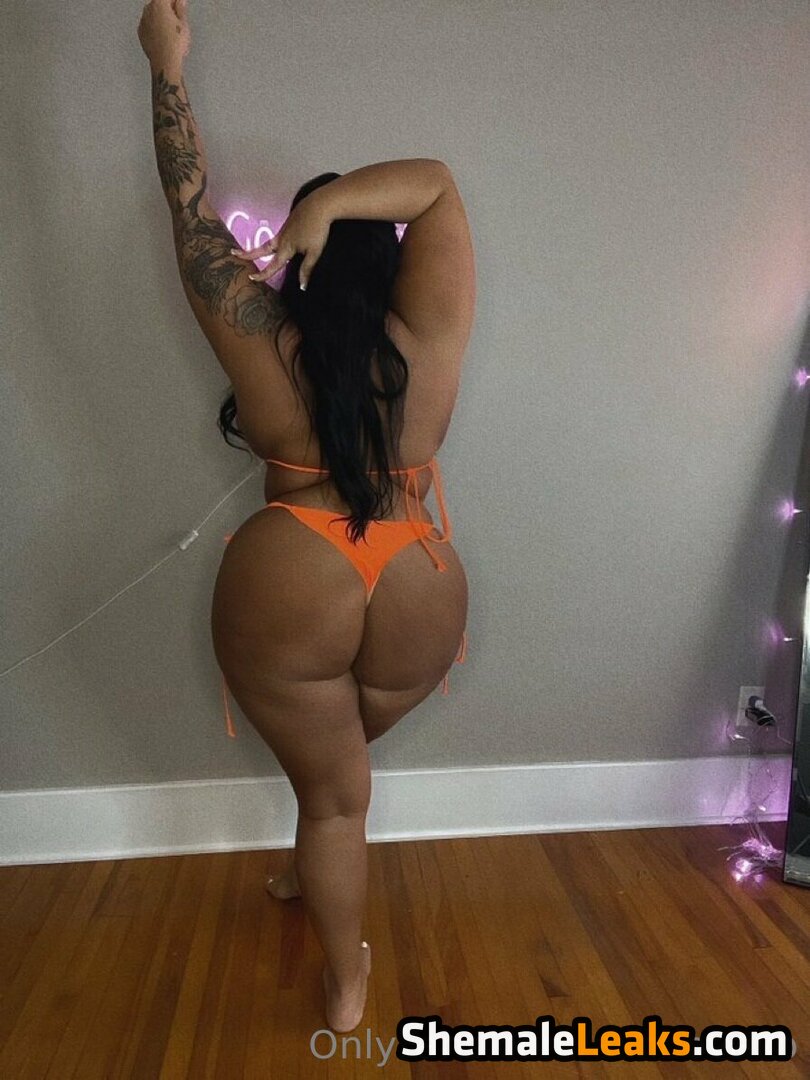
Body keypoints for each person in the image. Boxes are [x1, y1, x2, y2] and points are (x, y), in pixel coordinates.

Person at [212, 159, 476, 1032]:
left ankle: (346, 981)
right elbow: (435, 184)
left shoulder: (265, 338)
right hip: (417, 569)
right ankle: (313, 873)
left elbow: (184, 215)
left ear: (300, 255)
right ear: (387, 260)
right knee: (336, 773)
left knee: (332, 794)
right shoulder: (427, 331)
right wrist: (335, 204)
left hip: (296, 564)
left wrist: (163, 73)